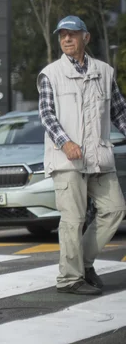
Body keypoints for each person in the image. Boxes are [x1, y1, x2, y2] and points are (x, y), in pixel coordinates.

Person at [38, 15, 126, 296]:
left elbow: (120, 112)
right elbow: (47, 115)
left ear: (85, 38)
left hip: (99, 157)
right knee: (73, 220)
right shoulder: (50, 74)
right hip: (67, 160)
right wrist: (65, 143)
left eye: (72, 34)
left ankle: (83, 264)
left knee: (115, 210)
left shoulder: (105, 72)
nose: (66, 39)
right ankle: (69, 278)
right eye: (62, 35)